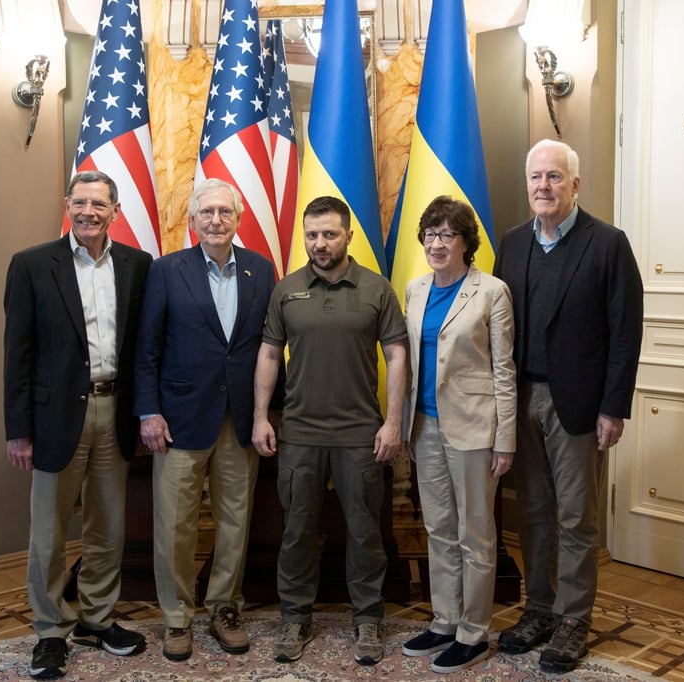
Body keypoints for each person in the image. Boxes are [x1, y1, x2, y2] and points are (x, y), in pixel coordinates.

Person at [492, 139, 643, 673]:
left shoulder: (608, 244)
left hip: (578, 404)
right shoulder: (510, 244)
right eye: (536, 178)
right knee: (531, 514)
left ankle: (574, 618)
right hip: (521, 398)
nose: (543, 187)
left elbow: (626, 334)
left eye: (554, 177)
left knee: (576, 518)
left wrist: (613, 407)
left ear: (575, 184)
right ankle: (539, 609)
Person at [3, 170, 153, 679]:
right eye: (80, 202)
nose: (89, 211)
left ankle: (96, 617)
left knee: (108, 525)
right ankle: (50, 629)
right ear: (68, 204)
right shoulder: (31, 265)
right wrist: (17, 429)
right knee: (49, 529)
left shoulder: (138, 265)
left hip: (116, 410)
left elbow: (142, 348)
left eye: (100, 203)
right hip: (53, 417)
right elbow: (16, 354)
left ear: (116, 210)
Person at [251, 196, 408, 667]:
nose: (320, 243)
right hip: (299, 434)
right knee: (297, 531)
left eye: (330, 234)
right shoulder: (286, 290)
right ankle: (295, 616)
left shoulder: (377, 289)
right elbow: (267, 355)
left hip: (361, 434)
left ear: (348, 236)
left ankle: (367, 618)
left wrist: (394, 420)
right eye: (312, 235)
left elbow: (398, 355)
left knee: (364, 533)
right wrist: (261, 416)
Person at [133, 178, 275, 662]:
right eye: (207, 212)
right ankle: (176, 616)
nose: (216, 221)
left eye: (225, 213)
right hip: (179, 419)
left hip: (240, 420)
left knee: (236, 520)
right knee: (175, 524)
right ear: (193, 220)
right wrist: (149, 411)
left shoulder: (261, 270)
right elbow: (147, 348)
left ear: (238, 219)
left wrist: (264, 414)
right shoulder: (167, 271)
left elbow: (267, 349)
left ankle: (225, 607)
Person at [398, 196, 517, 674]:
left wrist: (505, 438)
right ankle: (444, 619)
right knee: (439, 530)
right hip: (424, 426)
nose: (436, 243)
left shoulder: (492, 292)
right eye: (430, 234)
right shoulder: (414, 289)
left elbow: (503, 370)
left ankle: (473, 631)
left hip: (475, 431)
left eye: (447, 234)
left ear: (467, 242)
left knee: (476, 535)